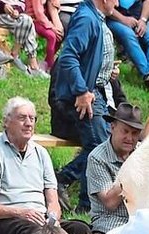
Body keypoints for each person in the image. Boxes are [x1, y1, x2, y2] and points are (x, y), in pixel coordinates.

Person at [50, 0, 128, 213]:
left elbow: (87, 57)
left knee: (100, 147)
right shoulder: (86, 18)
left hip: (95, 93)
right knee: (99, 149)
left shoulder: (95, 18)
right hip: (85, 96)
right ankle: (62, 181)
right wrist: (82, 91)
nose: (118, 2)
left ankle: (85, 204)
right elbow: (68, 56)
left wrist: (105, 69)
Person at [0, 96, 66, 234]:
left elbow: (53, 201)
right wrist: (20, 213)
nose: (29, 123)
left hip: (40, 220)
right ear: (6, 122)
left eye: (32, 118)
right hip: (3, 220)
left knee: (79, 230)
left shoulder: (41, 153)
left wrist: (53, 218)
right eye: (22, 118)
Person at [86, 101, 140, 233]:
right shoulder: (97, 157)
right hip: (109, 224)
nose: (129, 138)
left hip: (140, 222)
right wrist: (132, 169)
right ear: (112, 127)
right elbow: (110, 202)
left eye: (134, 133)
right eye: (125, 131)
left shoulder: (142, 152)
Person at [0, 0, 47, 77]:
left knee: (27, 23)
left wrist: (17, 12)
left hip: (15, 18)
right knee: (27, 21)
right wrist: (4, 6)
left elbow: (22, 6)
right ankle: (23, 59)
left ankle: (30, 64)